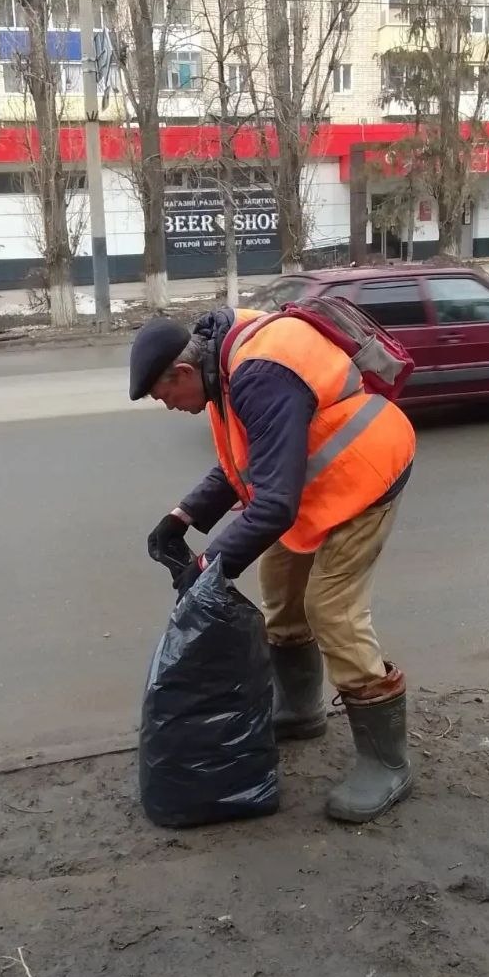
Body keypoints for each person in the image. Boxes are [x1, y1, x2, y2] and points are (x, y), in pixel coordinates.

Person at [129, 305, 416, 824]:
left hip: (366, 475)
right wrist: (182, 516)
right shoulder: (223, 367)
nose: (168, 407)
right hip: (314, 485)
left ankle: (388, 762)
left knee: (331, 610)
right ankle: (301, 711)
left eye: (163, 396)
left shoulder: (258, 374)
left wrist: (209, 564)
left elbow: (273, 506)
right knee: (281, 594)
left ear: (183, 372)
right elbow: (245, 461)